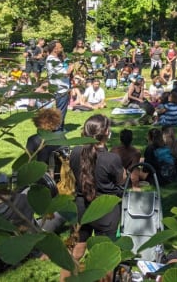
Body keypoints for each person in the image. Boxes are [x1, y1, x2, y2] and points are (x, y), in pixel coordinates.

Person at [64, 114, 125, 281]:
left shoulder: (75, 151)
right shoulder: (112, 158)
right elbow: (122, 181)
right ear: (106, 132)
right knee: (104, 258)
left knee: (75, 251)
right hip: (106, 210)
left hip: (80, 206)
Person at [45, 40, 75, 131]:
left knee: (62, 109)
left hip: (61, 87)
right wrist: (71, 66)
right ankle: (57, 130)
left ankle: (60, 128)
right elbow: (65, 74)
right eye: (60, 47)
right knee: (61, 111)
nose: (62, 49)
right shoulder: (52, 59)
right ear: (55, 49)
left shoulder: (55, 59)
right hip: (60, 89)